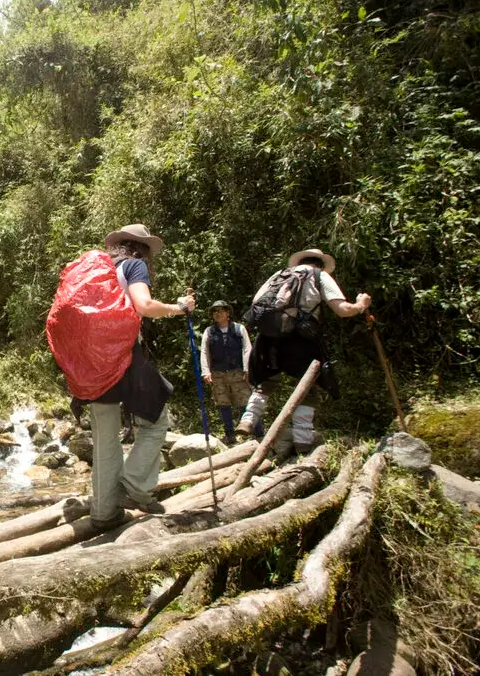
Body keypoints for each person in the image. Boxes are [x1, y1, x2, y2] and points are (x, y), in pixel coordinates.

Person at [78, 224, 195, 530]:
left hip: (90, 364)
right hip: (125, 357)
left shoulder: (94, 272)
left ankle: (104, 513)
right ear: (141, 248)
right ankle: (133, 485)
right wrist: (178, 308)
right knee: (156, 423)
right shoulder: (134, 265)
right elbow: (143, 306)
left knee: (104, 438)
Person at [236, 248, 370, 452]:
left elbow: (256, 303)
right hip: (301, 339)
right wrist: (361, 305)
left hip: (269, 338)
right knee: (308, 389)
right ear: (321, 264)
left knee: (265, 383)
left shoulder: (279, 274)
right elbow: (342, 310)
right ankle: (302, 441)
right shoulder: (320, 275)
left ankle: (247, 421)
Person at [199, 300, 254, 445]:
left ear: (228, 313)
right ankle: (230, 435)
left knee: (246, 403)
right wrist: (206, 371)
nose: (218, 314)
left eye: (221, 311)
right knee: (223, 404)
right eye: (215, 311)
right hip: (218, 374)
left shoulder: (239, 329)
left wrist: (247, 369)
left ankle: (256, 433)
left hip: (238, 372)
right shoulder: (209, 331)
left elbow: (247, 349)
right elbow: (204, 352)